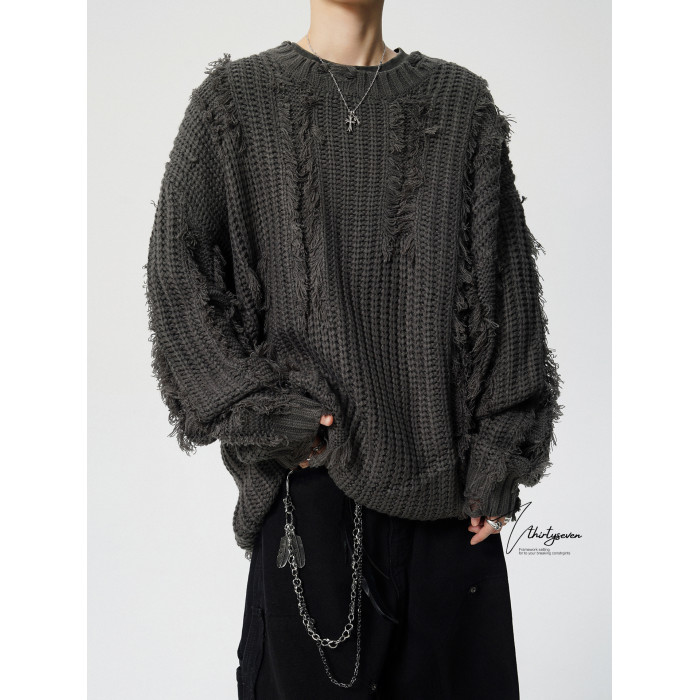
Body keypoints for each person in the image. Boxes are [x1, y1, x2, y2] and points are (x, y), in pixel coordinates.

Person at [144, 2, 563, 698]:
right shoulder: (235, 102)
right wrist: (267, 414)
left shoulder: (461, 104)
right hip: (310, 498)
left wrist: (500, 454)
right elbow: (177, 274)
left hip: (450, 503)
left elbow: (508, 291)